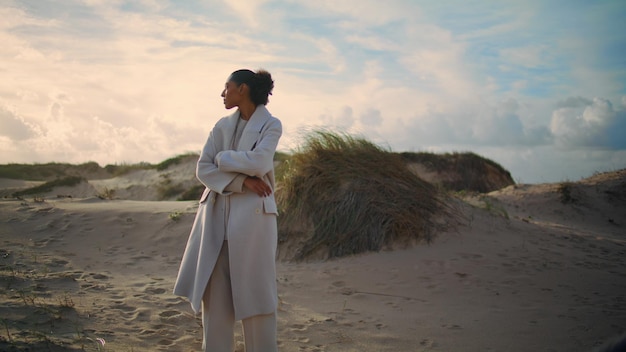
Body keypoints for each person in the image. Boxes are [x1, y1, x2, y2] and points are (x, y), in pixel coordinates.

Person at [174, 68, 282, 352]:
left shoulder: (271, 125)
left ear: (243, 89)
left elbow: (260, 162)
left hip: (253, 222)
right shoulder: (220, 126)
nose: (223, 94)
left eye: (227, 87)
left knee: (257, 297)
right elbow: (203, 169)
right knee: (216, 303)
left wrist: (222, 157)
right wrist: (242, 180)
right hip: (215, 222)